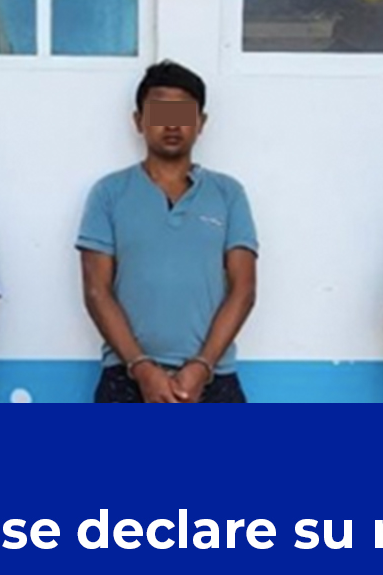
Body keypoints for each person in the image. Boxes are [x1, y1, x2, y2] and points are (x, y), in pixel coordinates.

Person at [77, 61, 257, 403]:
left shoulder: (228, 194)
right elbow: (97, 291)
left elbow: (243, 289)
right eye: (160, 113)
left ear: (201, 122)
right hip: (125, 378)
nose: (172, 124)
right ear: (138, 121)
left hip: (214, 377)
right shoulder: (109, 193)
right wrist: (142, 368)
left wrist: (202, 366)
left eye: (183, 114)